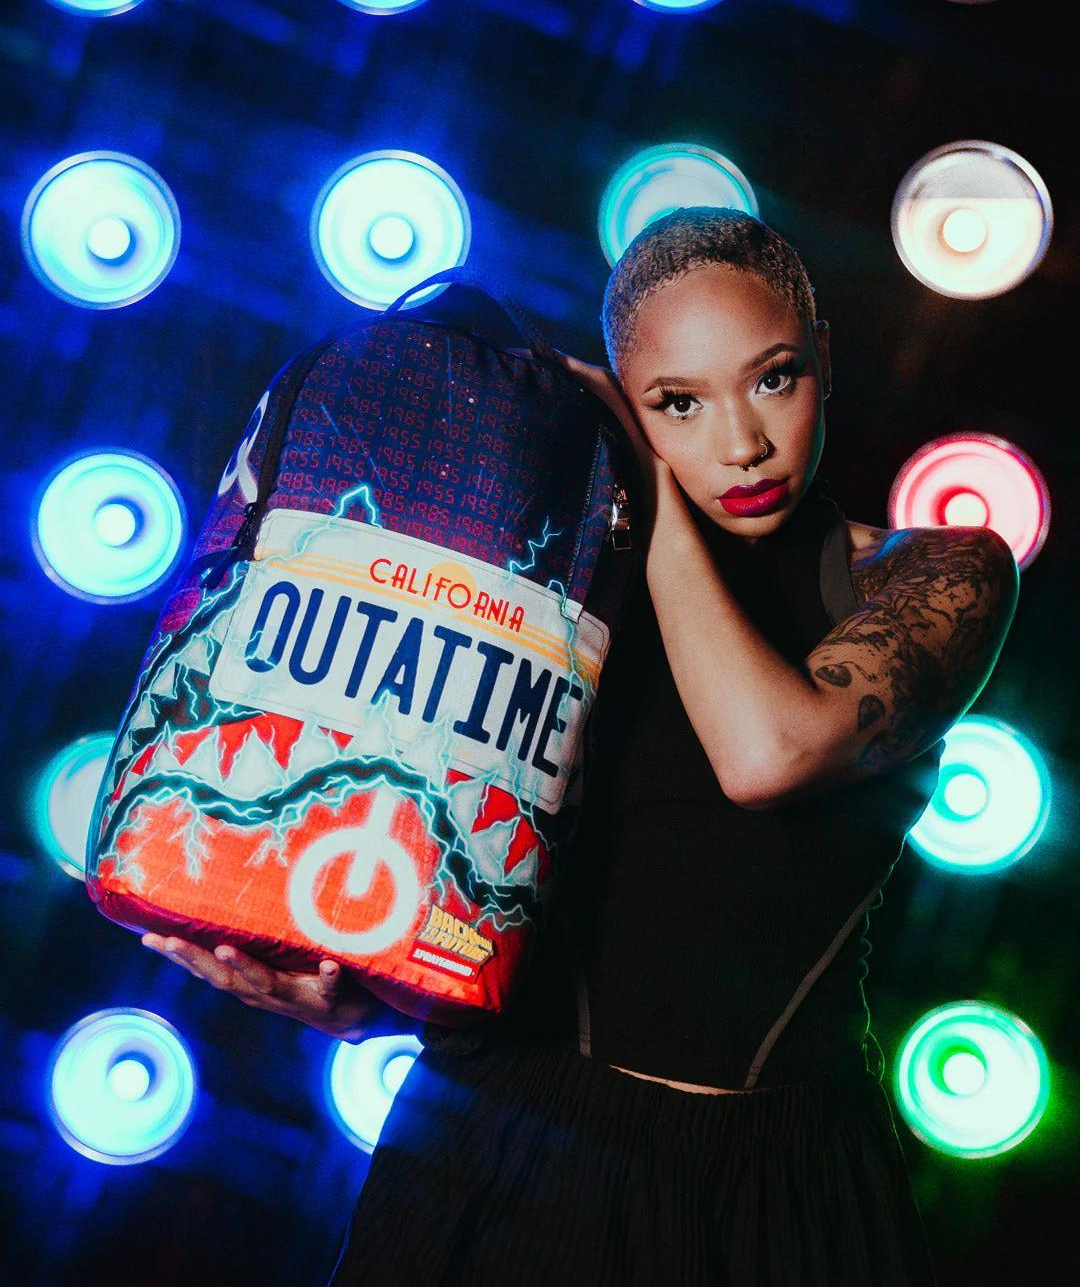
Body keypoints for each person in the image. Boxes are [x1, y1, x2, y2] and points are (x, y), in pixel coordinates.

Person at [146, 207, 1019, 1285]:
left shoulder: (938, 574)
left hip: (779, 1189)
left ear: (824, 360)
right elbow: (473, 878)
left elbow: (769, 755)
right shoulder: (554, 586)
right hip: (505, 1139)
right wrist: (361, 1000)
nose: (740, 443)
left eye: (774, 379)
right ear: (631, 402)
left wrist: (639, 485)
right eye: (677, 404)